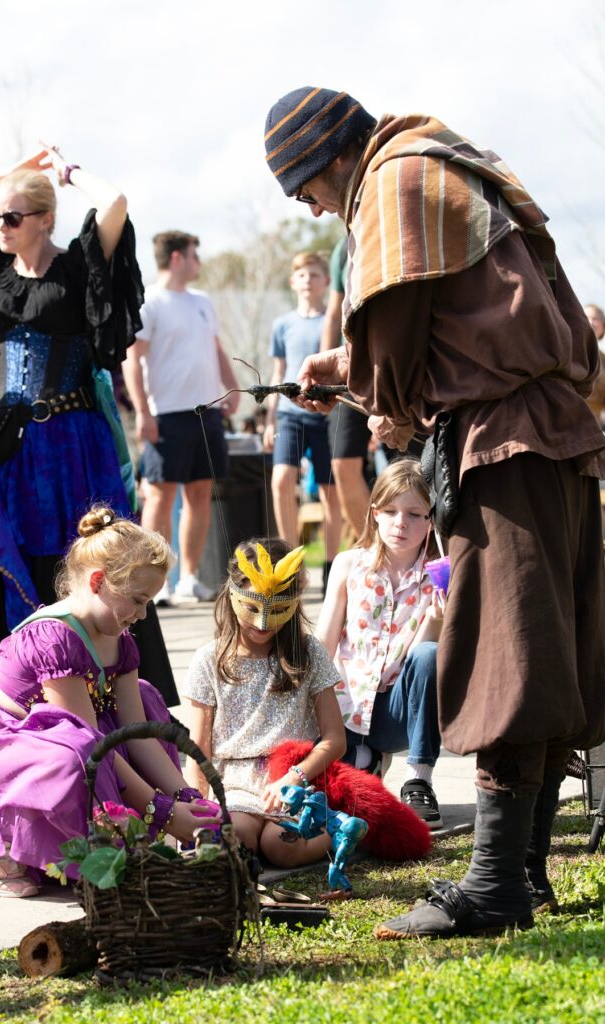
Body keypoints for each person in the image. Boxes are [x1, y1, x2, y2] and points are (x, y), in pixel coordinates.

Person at [264, 86, 605, 938]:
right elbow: (465, 323)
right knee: (540, 651)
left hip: (505, 444)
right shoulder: (450, 165)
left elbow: (397, 370)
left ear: (327, 162)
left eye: (304, 191)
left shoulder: (392, 185)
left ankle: (494, 886)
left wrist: (362, 382)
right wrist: (352, 364)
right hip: (552, 435)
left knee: (507, 657)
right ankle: (517, 872)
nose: (312, 208)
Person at [0, 506, 220, 897]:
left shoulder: (121, 639)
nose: (143, 614)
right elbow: (90, 746)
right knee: (77, 753)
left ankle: (122, 830)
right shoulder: (55, 637)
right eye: (137, 599)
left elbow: (137, 735)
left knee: (147, 703)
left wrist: (186, 796)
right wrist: (160, 811)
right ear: (98, 581)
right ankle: (9, 847)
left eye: (148, 602)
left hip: (63, 737)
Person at [0, 145, 144, 649]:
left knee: (90, 561)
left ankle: (98, 682)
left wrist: (67, 172)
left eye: (12, 216)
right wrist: (7, 175)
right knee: (14, 564)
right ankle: (27, 683)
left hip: (74, 442)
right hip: (8, 447)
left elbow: (115, 202)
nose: (0, 224)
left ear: (46, 220)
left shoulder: (77, 268)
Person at [181, 537, 346, 866]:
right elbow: (198, 749)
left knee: (281, 847)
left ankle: (345, 828)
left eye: (277, 610)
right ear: (232, 595)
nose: (261, 623)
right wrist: (195, 812)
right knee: (237, 836)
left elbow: (335, 739)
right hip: (235, 784)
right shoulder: (208, 660)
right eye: (252, 607)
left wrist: (294, 776)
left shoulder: (309, 653)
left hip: (293, 779)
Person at [316, 458, 445, 829]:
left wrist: (437, 619)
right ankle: (365, 756)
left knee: (429, 654)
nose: (400, 523)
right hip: (346, 707)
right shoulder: (348, 564)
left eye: (415, 514)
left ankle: (419, 778)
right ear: (374, 513)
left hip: (397, 711)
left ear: (431, 520)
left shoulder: (437, 576)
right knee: (345, 797)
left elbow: (419, 664)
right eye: (390, 511)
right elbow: (324, 642)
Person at [122, 230, 240, 606]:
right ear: (177, 258)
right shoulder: (150, 303)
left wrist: (232, 387)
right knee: (159, 496)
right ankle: (157, 584)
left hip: (207, 411)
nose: (198, 263)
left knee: (201, 493)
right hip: (165, 414)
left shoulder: (203, 301)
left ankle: (189, 578)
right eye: (194, 255)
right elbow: (132, 360)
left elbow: (216, 348)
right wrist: (142, 411)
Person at [262, 252, 342, 591]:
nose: (308, 280)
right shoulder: (282, 325)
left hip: (326, 416)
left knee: (330, 490)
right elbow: (278, 372)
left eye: (315, 274)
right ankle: (289, 561)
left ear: (326, 281)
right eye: (301, 275)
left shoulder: (333, 321)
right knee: (281, 480)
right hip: (289, 415)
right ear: (293, 282)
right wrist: (269, 420)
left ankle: (330, 565)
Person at [322, 238, 373, 538]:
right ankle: (373, 551)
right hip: (350, 374)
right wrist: (325, 365)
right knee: (341, 464)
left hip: (397, 368)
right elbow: (332, 313)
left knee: (410, 468)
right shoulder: (343, 248)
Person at [583, 304, 605, 428]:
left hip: (589, 429)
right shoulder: (564, 350)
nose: (590, 322)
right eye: (586, 317)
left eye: (595, 318)